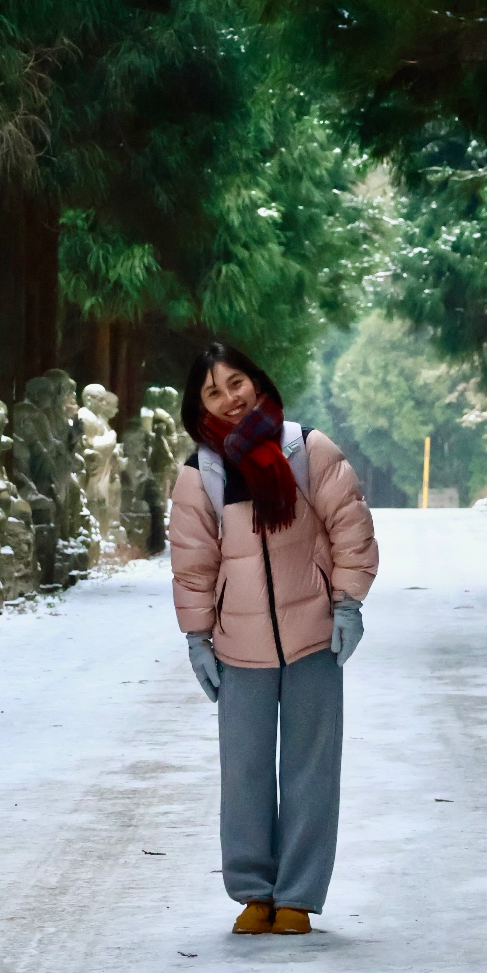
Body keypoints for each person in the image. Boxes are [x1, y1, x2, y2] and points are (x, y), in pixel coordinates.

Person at [170, 341, 379, 936]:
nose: (229, 398)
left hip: (314, 636)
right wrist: (197, 637)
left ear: (256, 382)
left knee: (312, 769)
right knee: (244, 773)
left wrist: (348, 602)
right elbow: (193, 564)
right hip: (238, 646)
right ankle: (254, 893)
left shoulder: (306, 449)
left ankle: (298, 896)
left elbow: (351, 528)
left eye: (235, 382)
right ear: (200, 407)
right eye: (213, 392)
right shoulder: (202, 474)